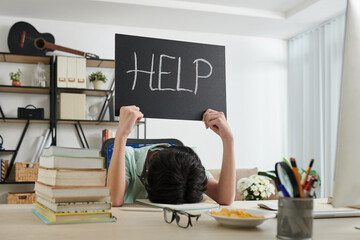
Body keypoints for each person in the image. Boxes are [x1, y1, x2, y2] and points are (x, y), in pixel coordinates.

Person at [107, 105, 235, 207]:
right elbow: (114, 200)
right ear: (147, 173)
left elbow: (224, 198)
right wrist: (121, 136)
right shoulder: (129, 157)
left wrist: (229, 139)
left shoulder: (188, 165)